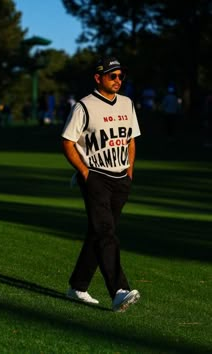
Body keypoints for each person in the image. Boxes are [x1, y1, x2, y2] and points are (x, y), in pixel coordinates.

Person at [61, 56, 141, 312]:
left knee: (98, 233)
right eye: (112, 76)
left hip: (120, 179)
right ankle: (119, 290)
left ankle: (78, 286)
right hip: (96, 177)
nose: (118, 80)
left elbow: (130, 139)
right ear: (98, 78)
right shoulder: (83, 107)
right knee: (106, 232)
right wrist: (84, 172)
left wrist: (129, 171)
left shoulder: (127, 104)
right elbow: (67, 141)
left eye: (120, 76)